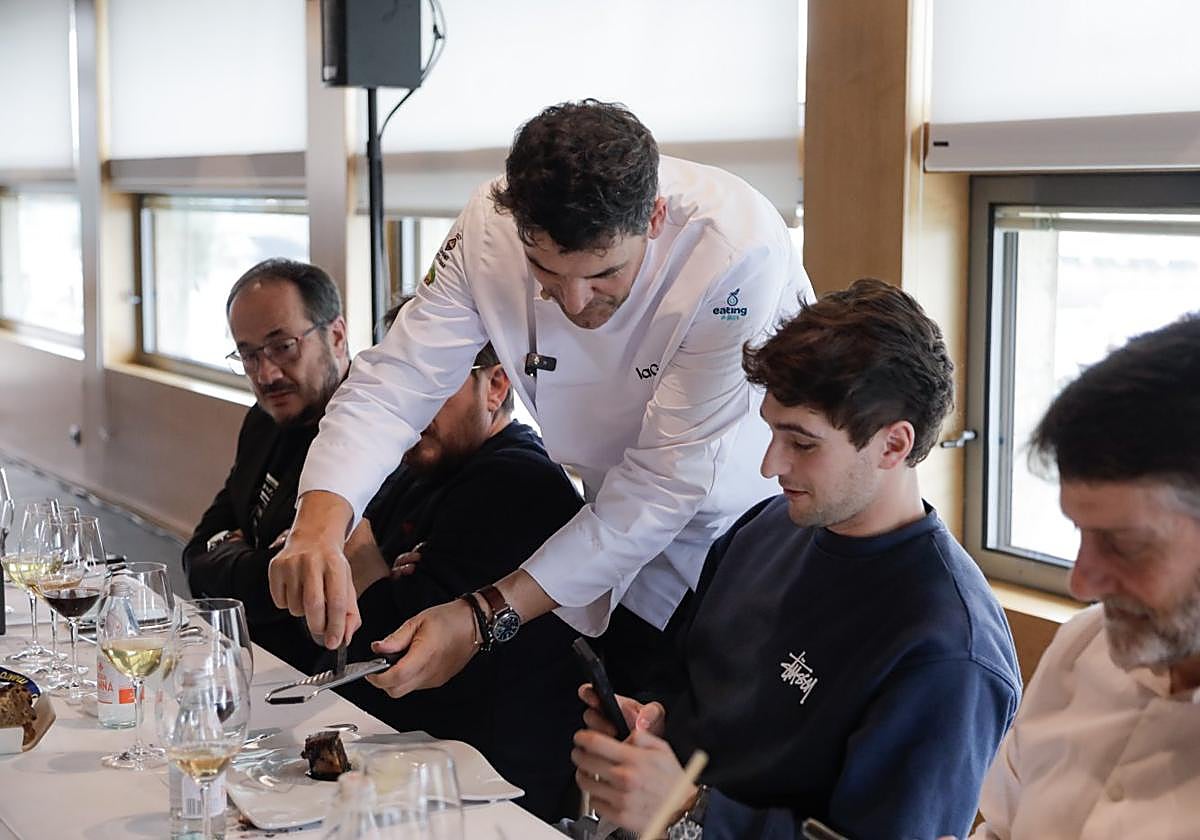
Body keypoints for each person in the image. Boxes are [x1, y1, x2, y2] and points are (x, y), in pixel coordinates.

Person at [268, 100, 814, 700]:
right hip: (610, 526)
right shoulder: (487, 227)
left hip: (739, 539)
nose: (575, 303)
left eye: (604, 274)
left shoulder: (736, 253)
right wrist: (318, 527)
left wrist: (481, 618)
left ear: (654, 217)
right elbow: (395, 382)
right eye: (545, 273)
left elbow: (665, 484)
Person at [571, 279, 1021, 840]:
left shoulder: (947, 650)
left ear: (893, 446)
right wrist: (653, 728)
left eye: (802, 443)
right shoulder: (764, 529)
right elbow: (690, 692)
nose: (768, 465)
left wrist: (690, 812)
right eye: (771, 433)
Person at [332, 299, 585, 820]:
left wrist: (361, 561)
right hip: (402, 754)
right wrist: (375, 573)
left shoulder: (518, 484)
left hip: (484, 791)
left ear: (495, 385)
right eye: (402, 383)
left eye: (433, 382)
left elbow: (387, 654)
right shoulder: (420, 464)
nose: (410, 405)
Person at [969, 315, 1200, 840]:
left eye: (1123, 544)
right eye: (1080, 532)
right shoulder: (1084, 647)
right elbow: (1003, 828)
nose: (1082, 583)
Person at [183, 258, 349, 673]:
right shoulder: (264, 420)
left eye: (283, 347)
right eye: (249, 355)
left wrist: (235, 551)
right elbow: (196, 556)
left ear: (337, 336)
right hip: (246, 663)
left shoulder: (366, 440)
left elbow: (299, 599)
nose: (267, 373)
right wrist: (255, 560)